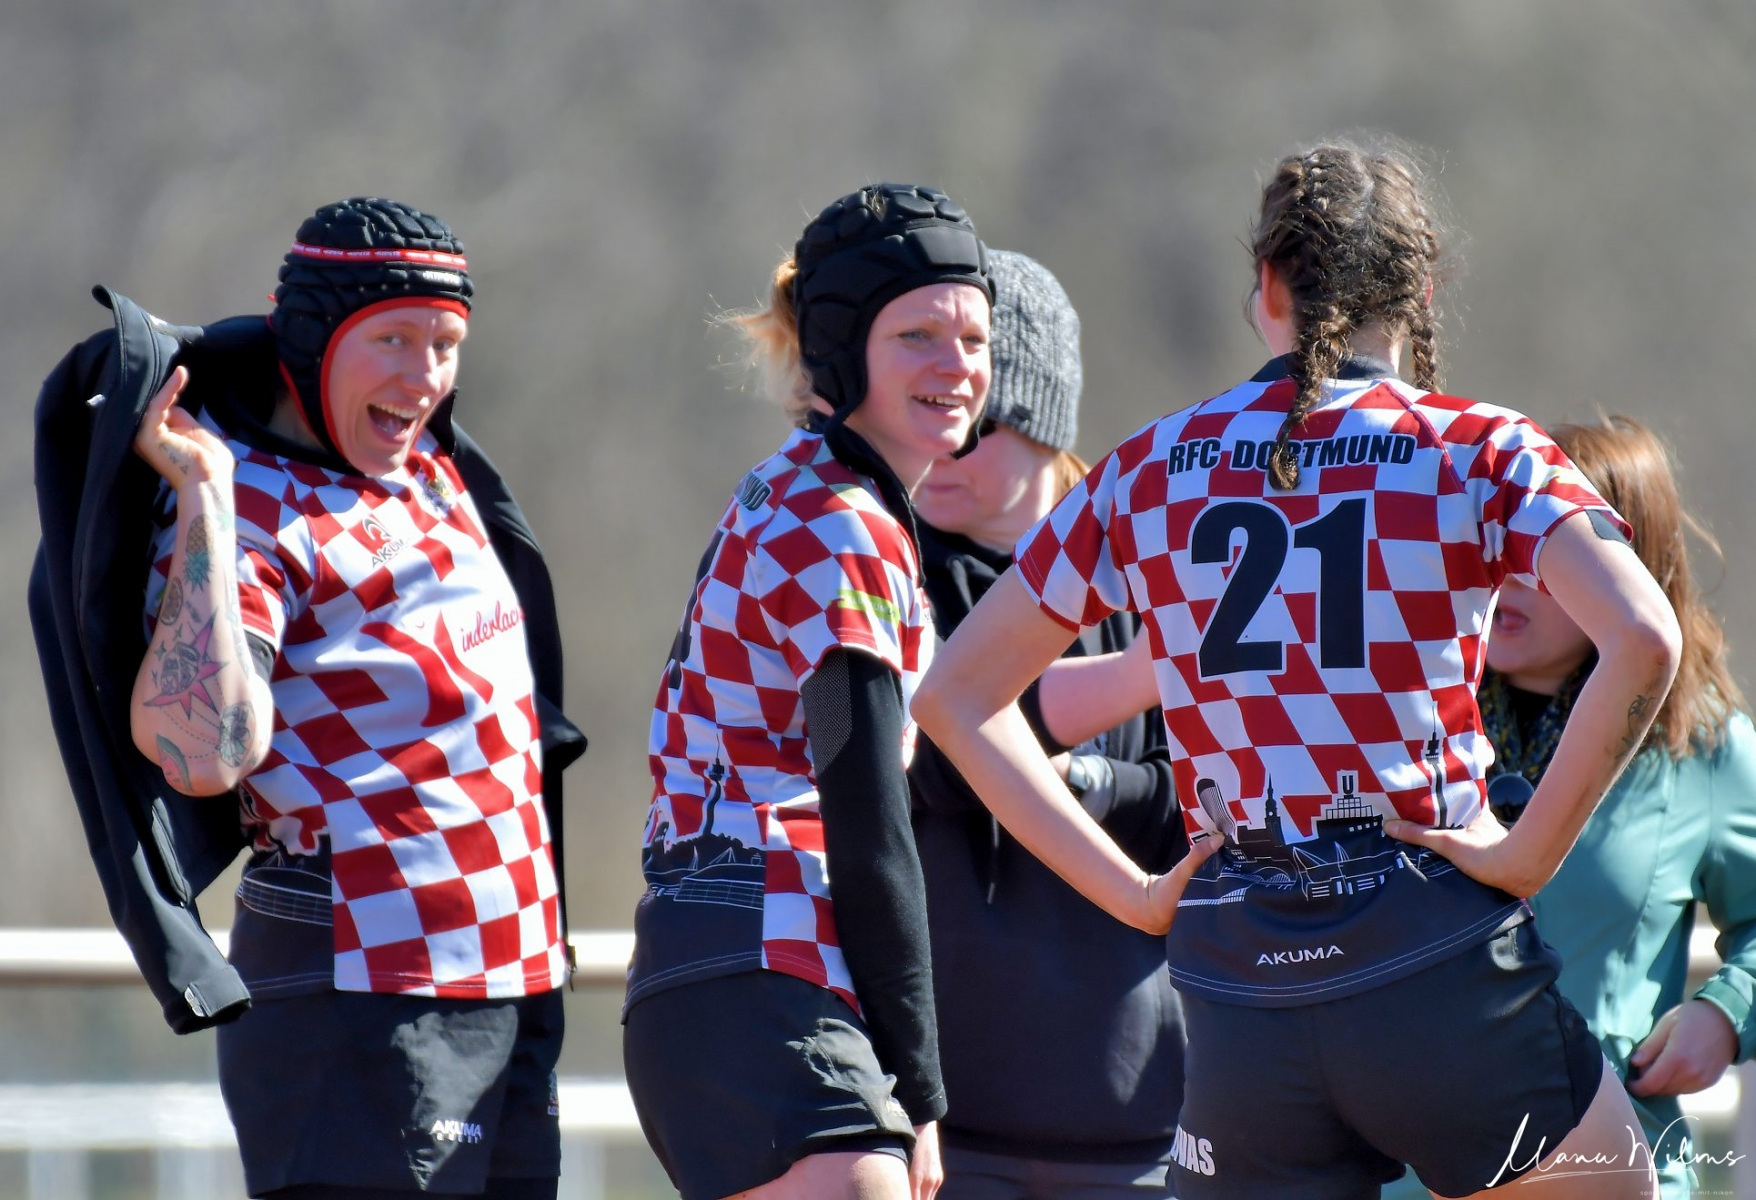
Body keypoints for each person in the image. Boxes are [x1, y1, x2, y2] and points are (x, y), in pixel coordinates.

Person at [912, 140, 1684, 1200]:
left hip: (1238, 987)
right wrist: (1524, 855)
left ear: (1266, 286)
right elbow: (1645, 639)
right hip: (1431, 952)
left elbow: (953, 697)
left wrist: (1136, 896)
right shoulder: (1478, 448)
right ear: (1419, 292)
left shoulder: (1146, 467)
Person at [126, 197, 581, 1200]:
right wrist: (204, 497)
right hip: (361, 984)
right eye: (393, 340)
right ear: (313, 341)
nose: (424, 376)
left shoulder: (434, 473)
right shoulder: (247, 503)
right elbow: (201, 753)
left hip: (512, 976)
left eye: (446, 345)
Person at [623, 183, 992, 1200]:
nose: (957, 366)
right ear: (838, 348)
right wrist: (920, 1088)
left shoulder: (796, 486)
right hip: (764, 951)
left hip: (705, 957)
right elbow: (869, 821)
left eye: (973, 337)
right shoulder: (843, 522)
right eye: (917, 336)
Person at [1383, 415, 1756, 1200]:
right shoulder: (1405, 720)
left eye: (1551, 553)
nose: (1513, 575)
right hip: (1412, 1173)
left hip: (1610, 1167)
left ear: (1630, 572)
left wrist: (1726, 1012)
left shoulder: (1706, 746)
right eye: (1503, 544)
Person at [909, 249, 1187, 1198]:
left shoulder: (1145, 571)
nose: (943, 444)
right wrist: (1139, 678)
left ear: (1042, 420)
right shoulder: (889, 566)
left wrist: (1089, 783)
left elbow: (1210, 798)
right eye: (925, 414)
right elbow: (926, 753)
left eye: (975, 423)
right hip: (946, 1125)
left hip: (1135, 1113)